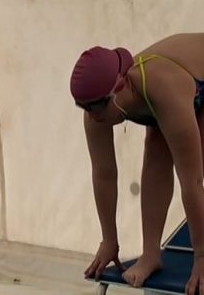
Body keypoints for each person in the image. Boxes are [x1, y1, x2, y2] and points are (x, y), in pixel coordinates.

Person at [71, 33, 204, 293]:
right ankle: (151, 254)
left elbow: (192, 181)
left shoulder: (163, 89)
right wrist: (109, 241)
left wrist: (201, 258)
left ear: (120, 87)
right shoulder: (94, 110)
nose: (91, 115)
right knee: (155, 146)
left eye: (96, 106)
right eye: (82, 107)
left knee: (194, 165)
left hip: (192, 79)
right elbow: (103, 175)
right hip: (174, 85)